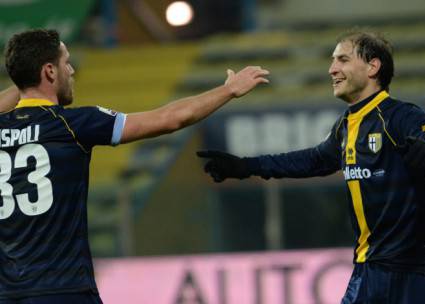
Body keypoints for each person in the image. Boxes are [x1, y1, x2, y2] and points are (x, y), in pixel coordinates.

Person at [0, 29, 269, 304]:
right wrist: (228, 90)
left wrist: (24, 77)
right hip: (65, 292)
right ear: (49, 71)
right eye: (65, 62)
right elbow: (170, 119)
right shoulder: (74, 124)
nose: (71, 71)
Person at [198, 30, 425, 303]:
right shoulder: (346, 126)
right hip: (370, 269)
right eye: (333, 61)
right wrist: (246, 166)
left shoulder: (397, 115)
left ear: (373, 66)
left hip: (413, 271)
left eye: (343, 60)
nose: (332, 69)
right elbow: (313, 160)